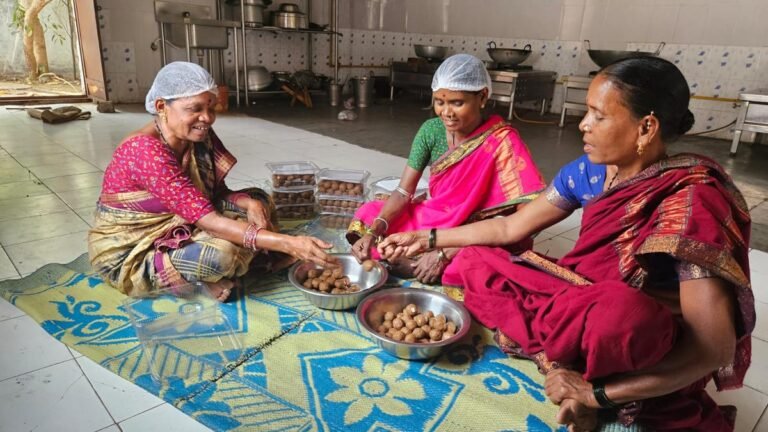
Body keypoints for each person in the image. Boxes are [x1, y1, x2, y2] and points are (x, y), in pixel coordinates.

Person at [377, 56, 755, 431]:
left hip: (642, 336)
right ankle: (568, 357)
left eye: (598, 115)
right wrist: (427, 238)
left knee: (621, 315)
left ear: (646, 127)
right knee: (478, 259)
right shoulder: (588, 171)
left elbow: (713, 349)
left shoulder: (691, 201)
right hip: (584, 298)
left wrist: (597, 394)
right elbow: (511, 228)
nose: (583, 125)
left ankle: (593, 379)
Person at [88, 62, 337, 301]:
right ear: (162, 106)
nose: (206, 118)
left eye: (211, 107)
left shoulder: (197, 134)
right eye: (194, 108)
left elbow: (216, 193)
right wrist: (288, 243)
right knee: (222, 255)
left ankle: (249, 260)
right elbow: (211, 221)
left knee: (258, 199)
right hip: (134, 250)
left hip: (187, 219)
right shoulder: (144, 150)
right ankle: (196, 277)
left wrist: (248, 203)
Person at [347, 53, 545, 283]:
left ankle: (419, 263)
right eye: (440, 102)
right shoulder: (431, 131)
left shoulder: (502, 142)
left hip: (481, 231)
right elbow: (403, 192)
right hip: (438, 218)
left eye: (457, 103)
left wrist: (446, 251)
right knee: (369, 213)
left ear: (482, 97)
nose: (446, 113)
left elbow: (527, 216)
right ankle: (414, 262)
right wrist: (375, 231)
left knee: (478, 263)